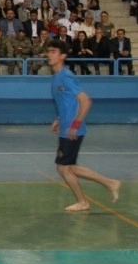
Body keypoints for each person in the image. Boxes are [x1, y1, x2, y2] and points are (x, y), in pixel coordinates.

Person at [46, 39, 121, 213]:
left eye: (53, 51)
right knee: (65, 167)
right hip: (66, 127)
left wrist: (75, 124)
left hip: (73, 129)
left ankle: (102, 188)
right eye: (48, 51)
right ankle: (99, 190)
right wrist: (59, 118)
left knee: (65, 167)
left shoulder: (66, 76)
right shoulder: (56, 77)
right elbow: (66, 102)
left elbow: (86, 101)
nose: (49, 55)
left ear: (63, 56)